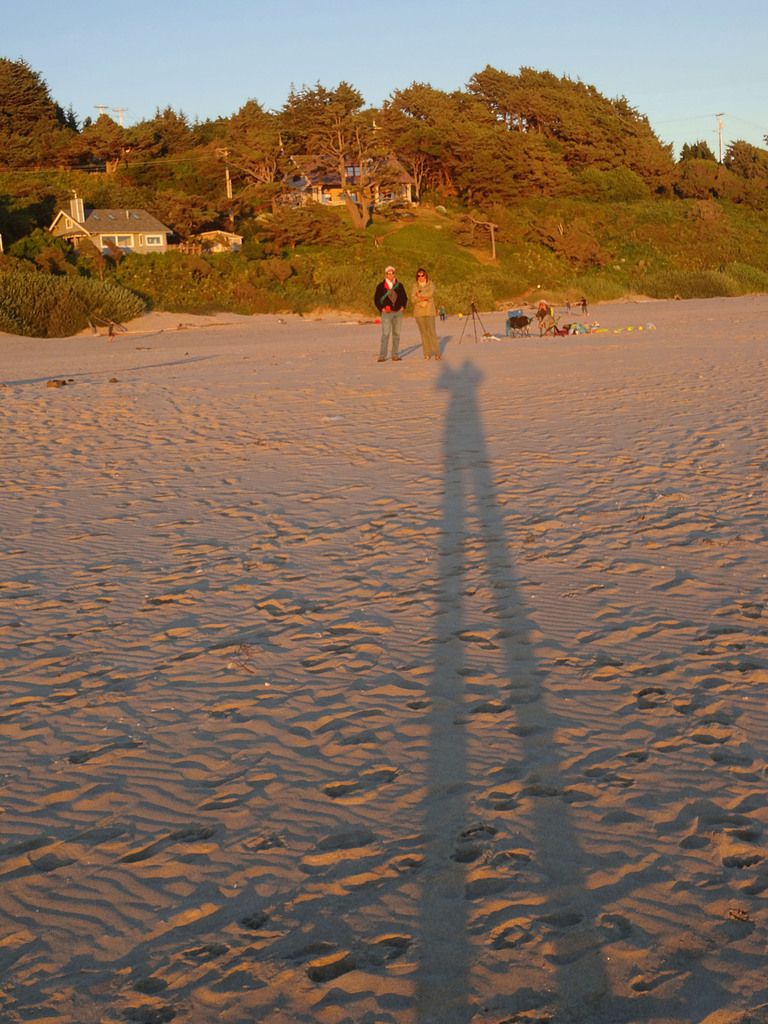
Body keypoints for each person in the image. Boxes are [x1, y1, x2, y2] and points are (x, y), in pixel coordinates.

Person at [374, 265, 408, 362]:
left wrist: (403, 306)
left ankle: (395, 355)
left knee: (396, 334)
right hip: (386, 313)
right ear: (385, 274)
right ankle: (382, 355)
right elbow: (376, 299)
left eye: (392, 273)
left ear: (394, 274)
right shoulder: (381, 286)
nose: (390, 275)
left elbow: (404, 297)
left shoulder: (399, 285)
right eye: (388, 273)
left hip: (398, 313)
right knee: (385, 334)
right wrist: (382, 308)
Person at [412, 267, 441, 360]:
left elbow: (430, 294)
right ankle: (427, 353)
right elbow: (413, 299)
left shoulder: (431, 284)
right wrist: (421, 297)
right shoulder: (414, 286)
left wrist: (419, 295)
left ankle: (437, 352)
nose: (421, 277)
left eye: (422, 275)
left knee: (432, 332)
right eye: (419, 275)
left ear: (426, 276)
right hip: (419, 312)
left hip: (429, 311)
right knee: (423, 333)